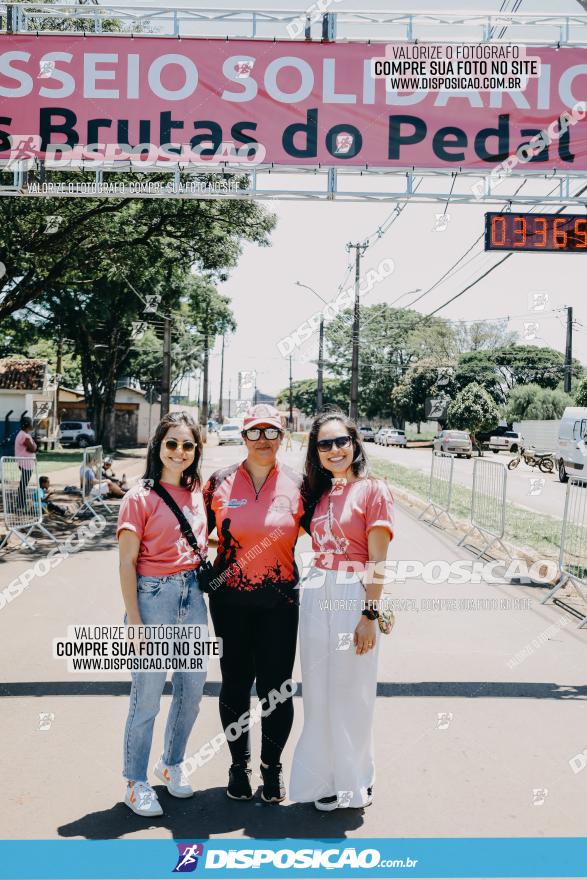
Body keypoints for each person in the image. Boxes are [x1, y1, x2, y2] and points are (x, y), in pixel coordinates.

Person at [290, 410, 394, 812]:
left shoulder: (373, 491)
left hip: (353, 592)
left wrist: (369, 614)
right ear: (315, 452)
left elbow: (379, 561)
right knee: (318, 692)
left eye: (341, 441)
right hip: (317, 591)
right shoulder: (317, 496)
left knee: (352, 689)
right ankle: (325, 780)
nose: (334, 450)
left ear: (354, 444)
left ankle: (356, 779)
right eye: (324, 444)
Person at [203, 403, 306, 804]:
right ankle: (238, 766)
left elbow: (332, 531)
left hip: (280, 602)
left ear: (283, 437)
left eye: (272, 432)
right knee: (234, 684)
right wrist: (201, 569)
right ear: (242, 436)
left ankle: (272, 767)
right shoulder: (219, 482)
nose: (263, 440)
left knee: (276, 689)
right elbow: (193, 534)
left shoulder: (299, 484)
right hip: (229, 603)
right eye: (254, 432)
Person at [117, 412, 209, 817]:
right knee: (148, 696)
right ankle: (135, 781)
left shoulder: (197, 493)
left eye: (188, 445)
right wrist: (135, 622)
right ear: (158, 446)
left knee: (192, 691)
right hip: (153, 597)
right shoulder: (138, 496)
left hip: (192, 593)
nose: (179, 452)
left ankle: (171, 765)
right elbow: (126, 563)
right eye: (172, 443)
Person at [14, 417, 37, 507]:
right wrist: (34, 446)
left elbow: (31, 447)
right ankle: (21, 504)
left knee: (23, 484)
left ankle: (21, 503)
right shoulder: (24, 435)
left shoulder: (23, 434)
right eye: (31, 423)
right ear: (28, 424)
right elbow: (32, 449)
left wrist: (33, 446)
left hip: (25, 462)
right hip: (26, 463)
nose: (33, 425)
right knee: (23, 484)